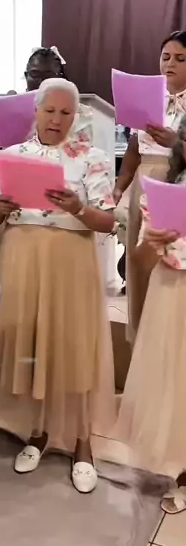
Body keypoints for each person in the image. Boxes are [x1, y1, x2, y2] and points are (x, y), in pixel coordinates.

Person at [0, 78, 116, 493]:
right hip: (21, 257)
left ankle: (82, 443)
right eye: (49, 110)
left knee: (74, 347)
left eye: (65, 112)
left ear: (76, 116)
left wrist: (79, 208)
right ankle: (37, 432)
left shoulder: (92, 158)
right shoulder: (9, 156)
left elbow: (108, 221)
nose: (56, 119)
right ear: (35, 111)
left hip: (70, 262)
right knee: (32, 346)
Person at [117, 114, 186, 514]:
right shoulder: (165, 190)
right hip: (170, 293)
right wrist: (154, 242)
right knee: (175, 380)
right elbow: (140, 261)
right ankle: (182, 470)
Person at [114, 30, 186, 338]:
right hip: (142, 184)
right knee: (138, 263)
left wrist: (176, 142)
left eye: (180, 59)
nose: (170, 64)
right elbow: (133, 149)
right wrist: (120, 187)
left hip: (175, 183)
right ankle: (139, 338)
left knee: (165, 261)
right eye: (165, 57)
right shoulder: (148, 97)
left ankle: (167, 337)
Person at [0, 46, 93, 163]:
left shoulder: (79, 112)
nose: (41, 81)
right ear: (26, 76)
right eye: (35, 74)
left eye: (49, 75)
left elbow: (85, 156)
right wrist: (0, 133)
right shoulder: (10, 107)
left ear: (60, 77)